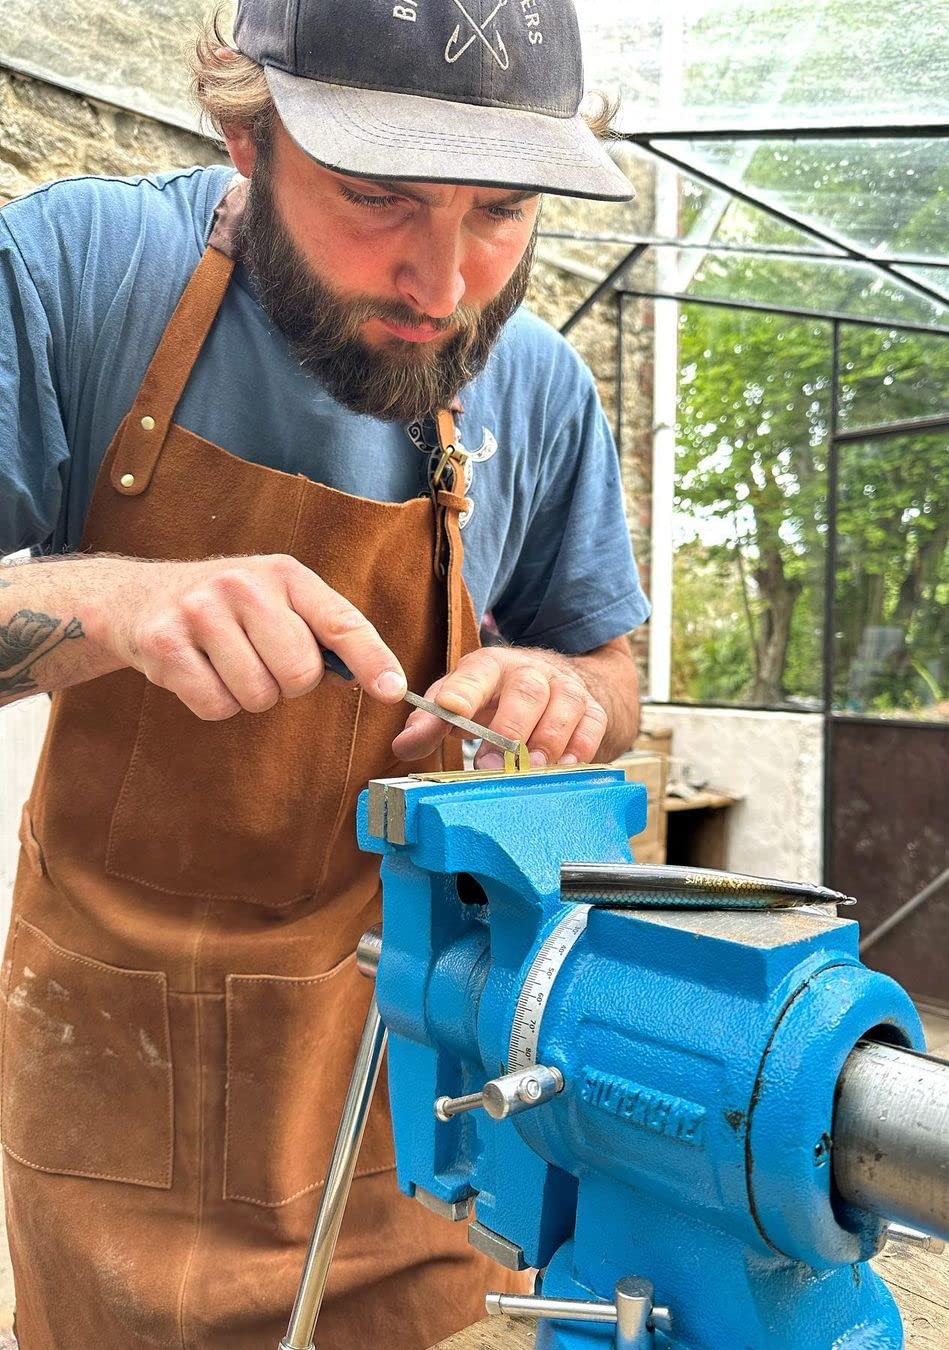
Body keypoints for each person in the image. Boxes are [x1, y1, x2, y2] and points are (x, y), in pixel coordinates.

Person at [0, 0, 648, 1345]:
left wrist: (561, 692)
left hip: (416, 1093)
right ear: (246, 135)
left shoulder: (537, 390)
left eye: (502, 212)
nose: (443, 281)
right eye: (378, 198)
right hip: (115, 1073)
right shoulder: (69, 271)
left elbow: (610, 665)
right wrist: (105, 598)